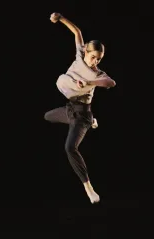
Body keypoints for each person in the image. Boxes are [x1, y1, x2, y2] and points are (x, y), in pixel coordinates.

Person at [44, 12, 116, 204]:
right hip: (70, 108)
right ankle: (87, 111)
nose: (96, 62)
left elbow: (111, 82)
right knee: (47, 116)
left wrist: (93, 81)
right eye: (94, 57)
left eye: (99, 59)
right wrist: (60, 18)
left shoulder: (98, 73)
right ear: (86, 52)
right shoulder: (79, 55)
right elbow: (77, 31)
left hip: (81, 116)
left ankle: (88, 187)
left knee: (70, 147)